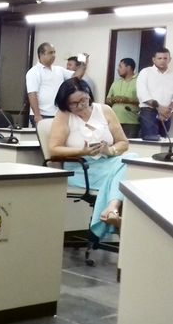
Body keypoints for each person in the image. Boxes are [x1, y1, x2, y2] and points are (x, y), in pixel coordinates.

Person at [48, 78, 131, 236]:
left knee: (132, 159)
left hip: (108, 163)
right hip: (81, 169)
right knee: (124, 174)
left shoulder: (105, 110)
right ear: (65, 103)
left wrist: (109, 150)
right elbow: (53, 150)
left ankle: (111, 209)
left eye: (83, 100)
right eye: (73, 103)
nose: (80, 106)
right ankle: (112, 211)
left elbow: (123, 143)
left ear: (89, 95)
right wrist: (82, 152)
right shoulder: (64, 115)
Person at [26, 42, 84, 124]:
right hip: (42, 115)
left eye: (54, 52)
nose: (54, 55)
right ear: (42, 54)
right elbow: (32, 94)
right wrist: (37, 115)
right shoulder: (34, 72)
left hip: (58, 113)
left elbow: (76, 77)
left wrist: (83, 64)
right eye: (50, 53)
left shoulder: (59, 69)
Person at [136, 47, 173, 140]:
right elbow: (142, 94)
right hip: (149, 112)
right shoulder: (145, 72)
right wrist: (160, 108)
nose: (162, 61)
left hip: (167, 114)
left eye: (165, 58)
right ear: (154, 59)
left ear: (170, 59)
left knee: (164, 142)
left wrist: (168, 110)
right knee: (150, 141)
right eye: (159, 58)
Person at [105, 57, 139, 138]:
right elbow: (107, 100)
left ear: (128, 67)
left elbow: (144, 100)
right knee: (114, 143)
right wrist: (113, 99)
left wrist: (127, 100)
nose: (118, 69)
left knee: (129, 144)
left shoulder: (139, 81)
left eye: (120, 66)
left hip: (131, 122)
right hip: (114, 121)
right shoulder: (116, 82)